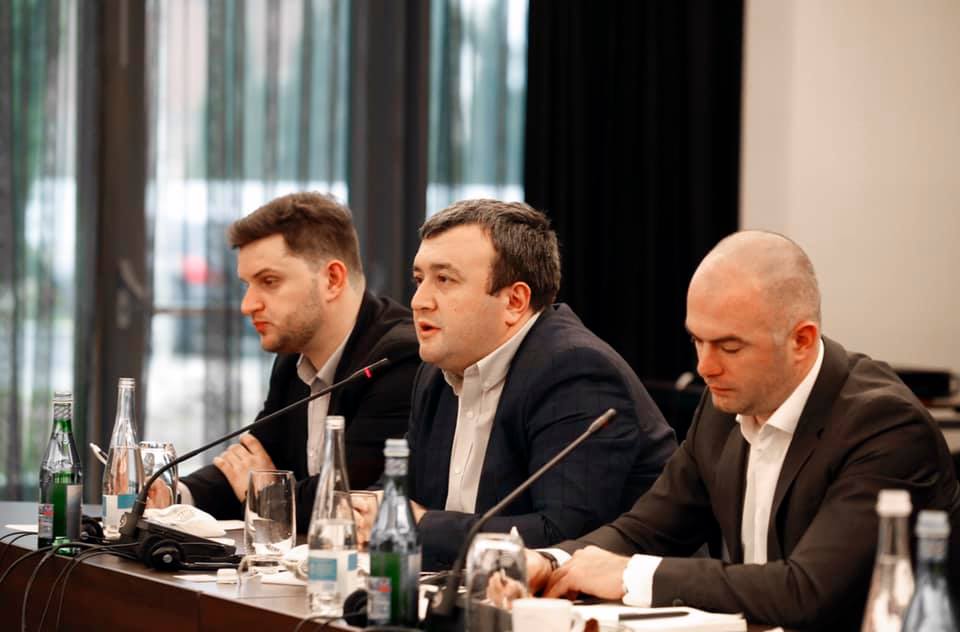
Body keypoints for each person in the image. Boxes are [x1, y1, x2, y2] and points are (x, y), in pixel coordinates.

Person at [525, 231, 960, 629]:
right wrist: (552, 562)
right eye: (697, 341)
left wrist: (629, 574)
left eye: (729, 347)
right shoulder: (723, 407)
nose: (705, 367)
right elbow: (648, 529)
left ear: (802, 340)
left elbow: (807, 591)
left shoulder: (885, 426)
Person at [356, 199, 677, 570]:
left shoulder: (574, 372)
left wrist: (419, 527)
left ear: (514, 301)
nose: (418, 301)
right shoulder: (438, 371)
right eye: (419, 280)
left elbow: (562, 534)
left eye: (444, 280)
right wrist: (364, 509)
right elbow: (401, 492)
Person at [166, 192, 419, 530]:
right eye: (247, 285)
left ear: (332, 279)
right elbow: (247, 460)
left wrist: (263, 492)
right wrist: (172, 495)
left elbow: (344, 501)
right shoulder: (294, 357)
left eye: (269, 282)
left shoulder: (397, 360)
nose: (247, 305)